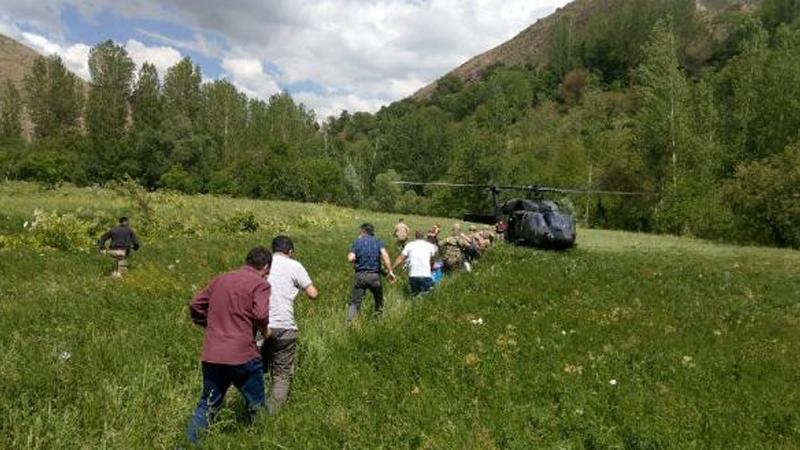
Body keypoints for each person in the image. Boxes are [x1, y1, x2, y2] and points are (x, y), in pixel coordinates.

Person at [186, 247, 272, 444]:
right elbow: (260, 314)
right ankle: (265, 441)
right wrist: (265, 330)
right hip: (242, 355)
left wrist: (209, 324)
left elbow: (196, 305)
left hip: (212, 354)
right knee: (257, 405)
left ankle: (188, 445)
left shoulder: (221, 279)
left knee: (206, 405)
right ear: (265, 267)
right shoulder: (260, 284)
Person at [261, 235, 318, 414]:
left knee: (254, 368)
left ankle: (253, 409)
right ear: (291, 252)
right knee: (281, 375)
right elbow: (313, 294)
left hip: (260, 325)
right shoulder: (295, 266)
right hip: (285, 327)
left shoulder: (263, 266)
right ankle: (271, 415)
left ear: (273, 250)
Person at [347, 223, 396, 323]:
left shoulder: (357, 242)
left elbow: (351, 258)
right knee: (379, 300)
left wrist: (356, 261)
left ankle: (351, 324)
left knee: (355, 303)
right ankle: (378, 321)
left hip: (360, 276)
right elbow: (385, 256)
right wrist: (390, 271)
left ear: (363, 231)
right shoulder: (378, 242)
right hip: (374, 276)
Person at [392, 230, 438, 297]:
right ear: (424, 237)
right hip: (426, 274)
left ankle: (413, 304)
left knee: (414, 294)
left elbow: (401, 258)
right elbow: (432, 260)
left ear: (415, 237)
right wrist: (431, 268)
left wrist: (392, 268)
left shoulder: (409, 245)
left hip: (413, 275)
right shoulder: (430, 246)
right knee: (425, 295)